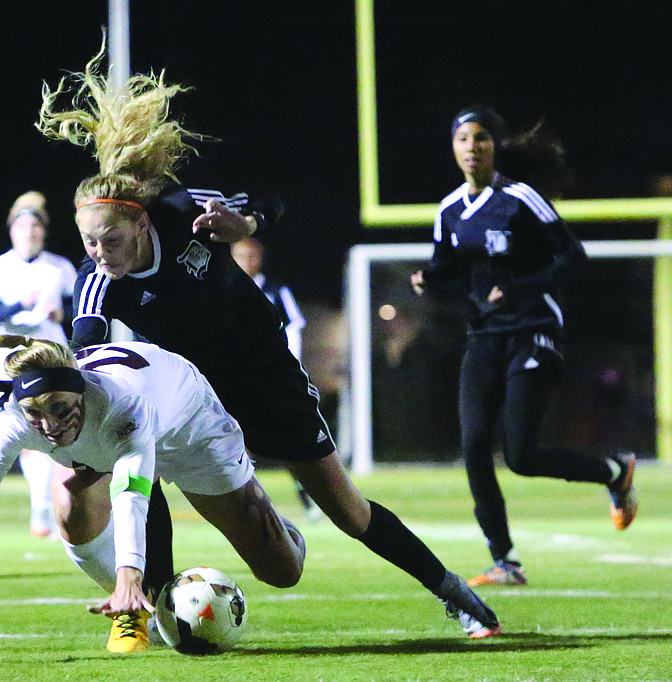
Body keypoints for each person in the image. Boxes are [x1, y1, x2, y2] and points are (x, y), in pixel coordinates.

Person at [35, 47, 500, 638]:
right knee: (133, 445)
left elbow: (271, 204)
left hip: (265, 377)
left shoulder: (184, 213)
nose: (99, 254)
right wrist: (57, 375)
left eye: (110, 240)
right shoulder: (97, 281)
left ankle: (453, 593)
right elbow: (87, 346)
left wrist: (245, 224)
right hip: (190, 396)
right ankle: (142, 612)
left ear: (142, 223)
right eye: (89, 244)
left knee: (342, 515)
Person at [0, 324, 305, 654]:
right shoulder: (15, 420)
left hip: (188, 424)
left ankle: (274, 527)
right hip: (110, 445)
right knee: (70, 500)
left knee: (282, 570)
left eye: (58, 409)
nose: (49, 427)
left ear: (79, 391)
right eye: (36, 414)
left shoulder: (122, 406)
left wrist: (128, 572)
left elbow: (132, 490)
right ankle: (137, 610)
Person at [410, 106, 638, 587]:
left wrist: (520, 289)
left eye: (481, 138)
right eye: (463, 140)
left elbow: (573, 255)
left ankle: (614, 471)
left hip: (533, 327)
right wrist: (429, 277)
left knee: (520, 454)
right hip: (484, 336)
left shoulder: (520, 197)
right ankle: (505, 560)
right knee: (473, 447)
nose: (472, 147)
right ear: (453, 149)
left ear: (496, 146)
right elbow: (447, 265)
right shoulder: (449, 209)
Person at [0, 191, 79, 537]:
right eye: (23, 227)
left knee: (57, 434)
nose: (29, 233)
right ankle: (41, 508)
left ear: (43, 232)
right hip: (9, 365)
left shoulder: (60, 267)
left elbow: (80, 315)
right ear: (12, 231)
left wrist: (62, 315)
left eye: (35, 227)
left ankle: (49, 510)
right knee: (22, 437)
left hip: (52, 361)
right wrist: (19, 304)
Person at [230, 236, 321, 521]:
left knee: (288, 436)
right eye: (240, 256)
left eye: (251, 256)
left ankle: (310, 498)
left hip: (270, 376)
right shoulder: (222, 288)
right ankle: (243, 502)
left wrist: (288, 367)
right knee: (234, 438)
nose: (246, 262)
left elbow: (295, 327)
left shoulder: (275, 290)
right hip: (232, 375)